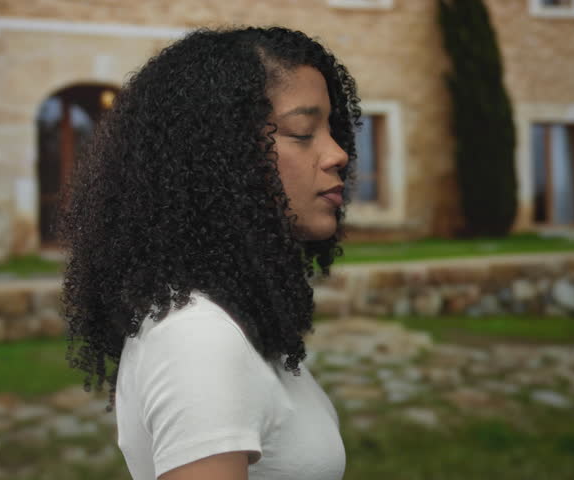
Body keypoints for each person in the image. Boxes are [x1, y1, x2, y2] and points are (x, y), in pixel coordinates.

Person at [59, 26, 360, 480]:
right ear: (222, 157)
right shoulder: (196, 338)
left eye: (332, 131)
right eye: (303, 132)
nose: (338, 153)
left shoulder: (237, 321)